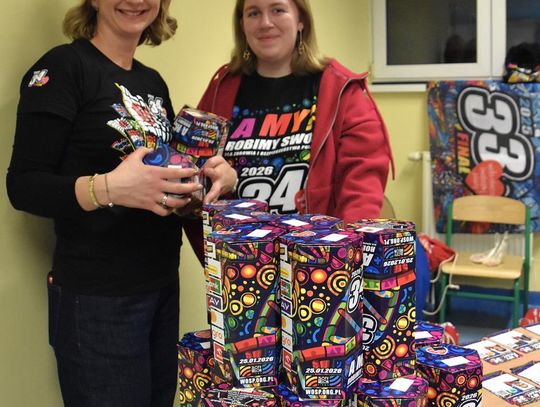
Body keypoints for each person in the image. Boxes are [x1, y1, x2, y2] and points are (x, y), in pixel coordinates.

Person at [5, 1, 236, 406]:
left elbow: (158, 183)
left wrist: (205, 180)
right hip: (99, 298)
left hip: (161, 285)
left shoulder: (152, 82)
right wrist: (108, 188)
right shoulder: (64, 67)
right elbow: (23, 186)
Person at [185, 0, 394, 263]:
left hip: (321, 267)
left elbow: (361, 194)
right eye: (253, 13)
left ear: (301, 20)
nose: (265, 23)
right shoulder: (222, 88)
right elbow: (193, 183)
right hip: (240, 268)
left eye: (278, 10)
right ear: (242, 25)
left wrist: (341, 263)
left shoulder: (341, 90)